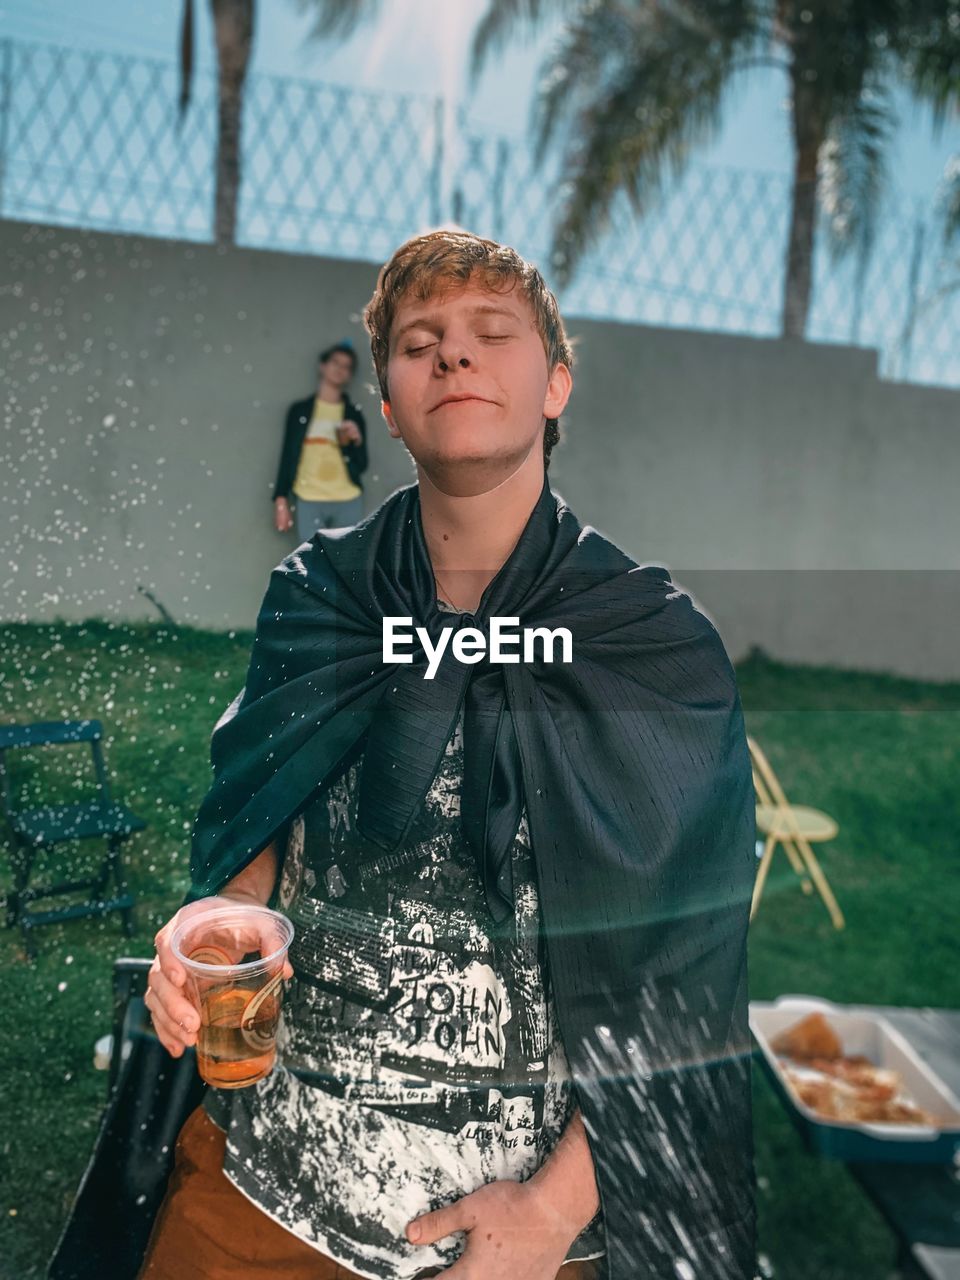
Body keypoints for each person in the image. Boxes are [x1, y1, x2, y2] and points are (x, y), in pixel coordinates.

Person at [142, 230, 757, 1280]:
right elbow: (266, 820)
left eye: (491, 333)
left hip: (516, 1240)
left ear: (557, 380)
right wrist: (225, 912)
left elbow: (684, 962)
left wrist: (554, 1213)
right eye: (420, 340)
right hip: (266, 1199)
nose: (453, 357)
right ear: (386, 402)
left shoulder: (648, 641)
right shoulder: (321, 598)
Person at [273, 341, 369, 541]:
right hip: (309, 498)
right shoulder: (299, 411)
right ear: (323, 366)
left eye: (346, 366)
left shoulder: (353, 414)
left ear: (350, 375)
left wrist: (354, 442)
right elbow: (288, 455)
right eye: (335, 362)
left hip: (347, 499)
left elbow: (362, 465)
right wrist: (281, 499)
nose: (340, 369)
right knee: (311, 567)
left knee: (346, 568)